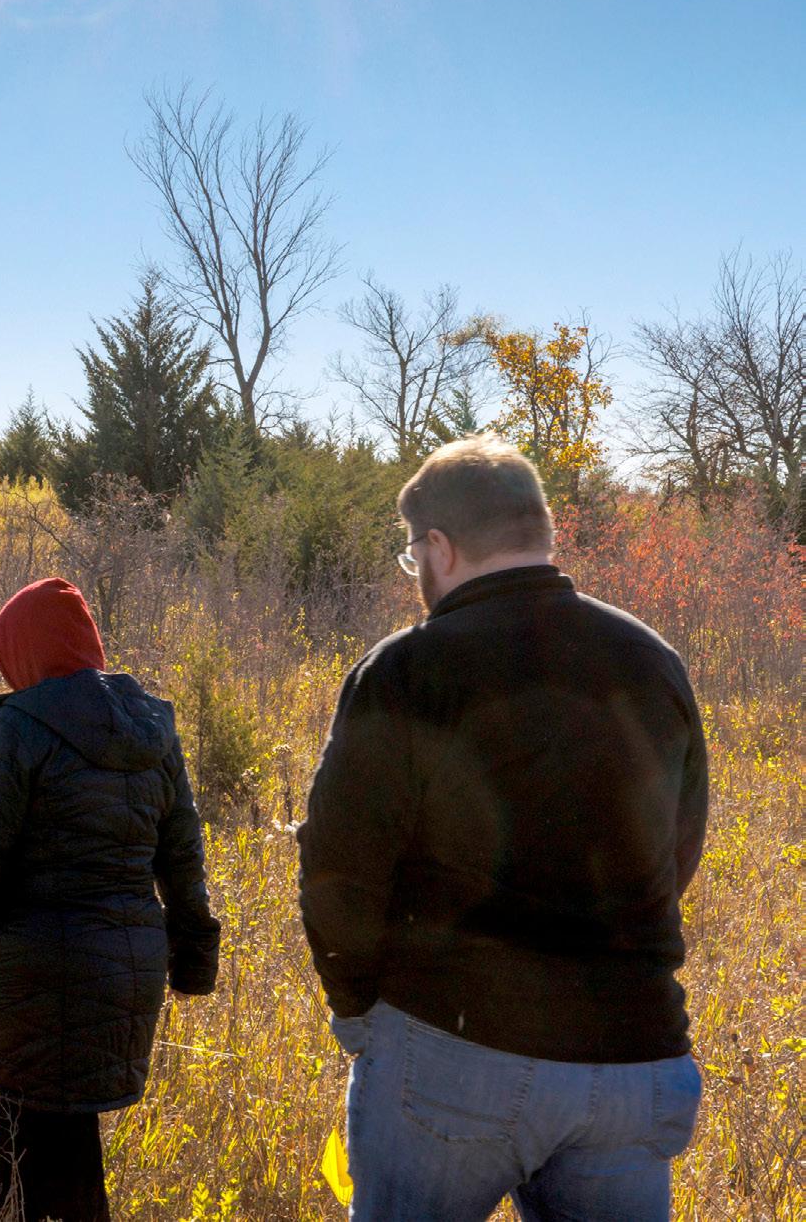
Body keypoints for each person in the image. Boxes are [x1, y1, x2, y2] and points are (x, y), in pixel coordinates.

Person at [298, 435, 709, 1222]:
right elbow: (676, 847)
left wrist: (356, 1013)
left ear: (438, 547)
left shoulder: (407, 667)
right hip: (631, 1057)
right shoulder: (651, 660)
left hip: (451, 1051)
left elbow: (340, 866)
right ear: (537, 533)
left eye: (411, 552)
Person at [0, 576, 219, 1222]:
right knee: (67, 1152)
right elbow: (182, 858)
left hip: (33, 969)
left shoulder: (14, 729)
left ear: (27, 653)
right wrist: (192, 962)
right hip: (125, 970)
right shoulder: (151, 727)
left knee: (26, 1157)